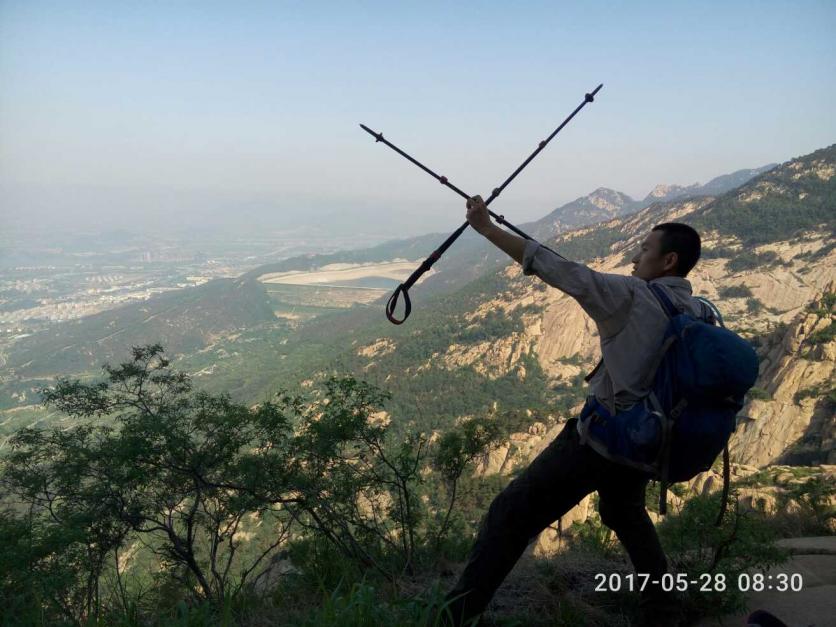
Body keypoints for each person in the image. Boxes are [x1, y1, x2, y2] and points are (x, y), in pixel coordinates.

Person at [442, 195, 712, 627]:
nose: (636, 256)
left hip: (601, 440)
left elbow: (561, 271)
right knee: (624, 513)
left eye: (645, 249)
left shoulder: (632, 295)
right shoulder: (698, 310)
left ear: (669, 260)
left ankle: (452, 616)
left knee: (510, 513)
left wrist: (488, 229)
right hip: (646, 444)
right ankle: (665, 614)